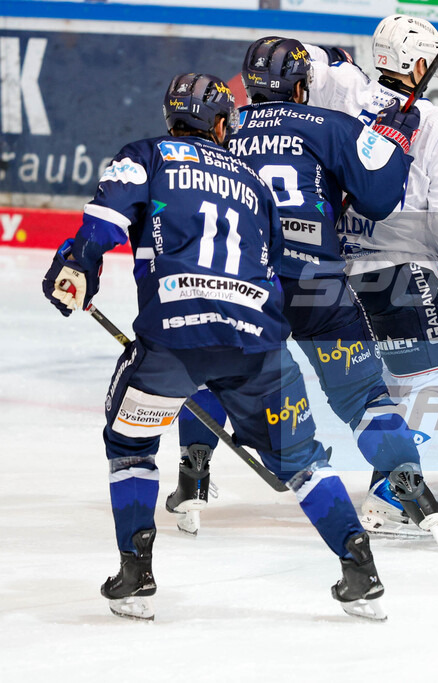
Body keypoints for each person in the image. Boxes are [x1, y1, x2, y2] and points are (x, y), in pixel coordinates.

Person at [41, 72, 392, 621]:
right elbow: (272, 268)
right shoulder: (253, 181)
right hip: (259, 342)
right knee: (301, 461)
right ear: (222, 124)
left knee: (130, 445)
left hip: (175, 341)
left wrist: (77, 264)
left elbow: (105, 219)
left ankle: (136, 573)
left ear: (171, 118)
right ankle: (359, 565)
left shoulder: (147, 155)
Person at [167, 38, 438, 545]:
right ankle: (407, 483)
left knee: (213, 376)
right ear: (302, 86)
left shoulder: (220, 133)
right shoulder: (327, 125)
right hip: (314, 285)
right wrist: (396, 138)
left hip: (239, 284)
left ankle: (193, 473)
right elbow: (381, 197)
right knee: (364, 395)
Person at [302, 15, 438, 530]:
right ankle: (392, 485)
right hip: (397, 273)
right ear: (420, 64)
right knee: (433, 387)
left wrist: (331, 59)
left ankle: (395, 487)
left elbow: (308, 62)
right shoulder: (437, 121)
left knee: (384, 389)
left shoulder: (345, 101)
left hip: (337, 271)